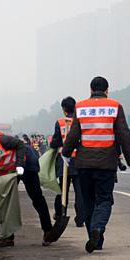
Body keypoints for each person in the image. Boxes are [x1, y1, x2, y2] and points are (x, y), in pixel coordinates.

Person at [62, 76, 130, 253]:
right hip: (106, 164)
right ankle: (98, 229)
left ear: (90, 90)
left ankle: (95, 238)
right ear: (107, 90)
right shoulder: (115, 106)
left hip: (84, 164)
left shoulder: (80, 107)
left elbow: (73, 135)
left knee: (89, 202)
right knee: (104, 200)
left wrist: (66, 154)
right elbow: (124, 134)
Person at [49, 96, 84, 228]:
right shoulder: (80, 121)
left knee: (62, 190)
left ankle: (59, 215)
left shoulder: (60, 122)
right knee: (79, 191)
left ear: (64, 109)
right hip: (78, 160)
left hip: (64, 160)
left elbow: (56, 142)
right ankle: (80, 218)